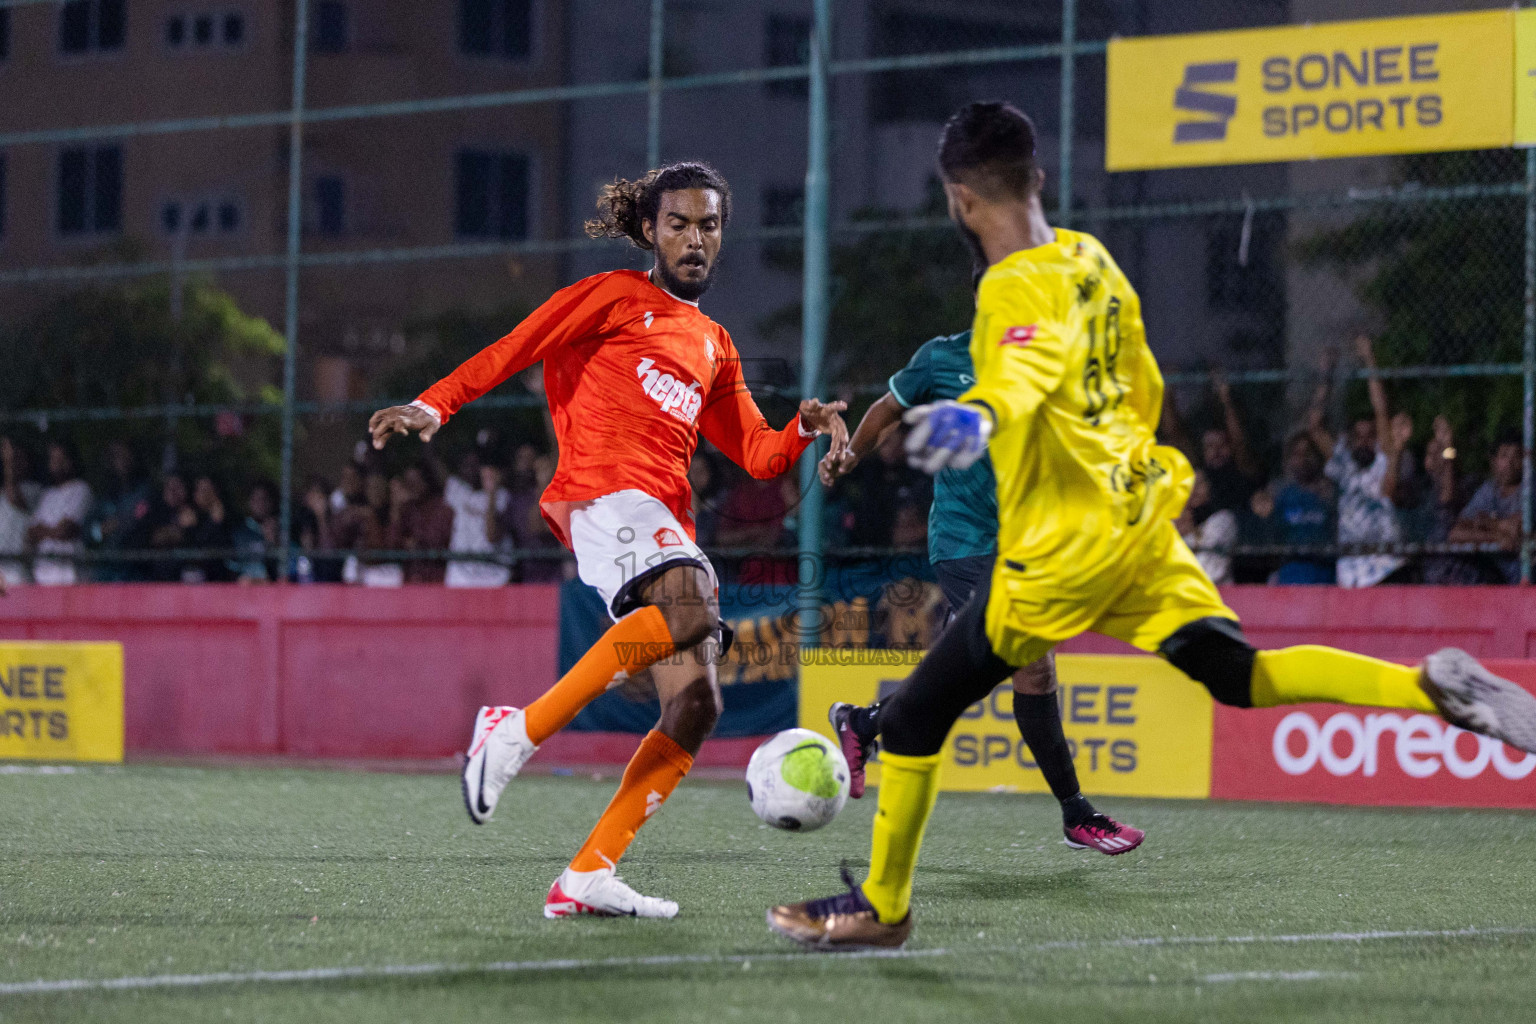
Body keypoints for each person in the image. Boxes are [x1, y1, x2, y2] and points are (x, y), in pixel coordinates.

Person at [766, 100, 1536, 951]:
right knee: (1238, 673)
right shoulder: (1094, 262)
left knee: (913, 718)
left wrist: (969, 422)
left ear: (957, 198)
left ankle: (886, 904)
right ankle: (1428, 687)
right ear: (1040, 179)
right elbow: (1144, 389)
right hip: (1139, 516)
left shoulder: (1009, 284)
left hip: (1060, 547)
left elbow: (1018, 374)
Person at [369, 161, 848, 919]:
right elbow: (517, 345)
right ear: (651, 231)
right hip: (602, 495)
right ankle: (513, 733)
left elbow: (756, 452)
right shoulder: (615, 297)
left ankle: (588, 873)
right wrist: (436, 405)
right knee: (695, 606)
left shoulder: (716, 346)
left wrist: (804, 427)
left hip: (656, 517)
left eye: (710, 225)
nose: (696, 238)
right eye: (680, 223)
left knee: (696, 705)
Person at [820, 302, 1142, 854]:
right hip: (965, 541)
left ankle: (865, 721)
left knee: (996, 674)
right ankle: (1077, 814)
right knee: (1031, 665)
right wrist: (848, 454)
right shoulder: (943, 358)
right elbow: (887, 409)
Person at [1308, 334, 1410, 587]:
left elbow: (1380, 409)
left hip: (1386, 568)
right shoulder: (1344, 465)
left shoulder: (1382, 460)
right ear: (1350, 439)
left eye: (1369, 436)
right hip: (1350, 572)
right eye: (1358, 436)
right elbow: (1314, 426)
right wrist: (1326, 375)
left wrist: (1368, 359)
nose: (1364, 441)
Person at [1250, 432, 1336, 584]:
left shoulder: (1330, 493)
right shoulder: (1280, 496)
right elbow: (1271, 541)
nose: (1302, 459)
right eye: (1296, 454)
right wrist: (1265, 514)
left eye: (1308, 452)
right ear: (1289, 460)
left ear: (1318, 457)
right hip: (1290, 579)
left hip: (1326, 579)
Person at [1446, 433, 1524, 584]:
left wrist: (1485, 522)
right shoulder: (1489, 489)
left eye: (1517, 456)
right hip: (1492, 576)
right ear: (1494, 461)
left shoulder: (1530, 487)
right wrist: (1497, 537)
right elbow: (1455, 534)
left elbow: (1515, 530)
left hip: (1521, 579)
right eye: (1504, 455)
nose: (1510, 462)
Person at [27, 442, 92, 585]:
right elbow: (31, 533)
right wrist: (53, 530)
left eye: (61, 458)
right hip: (43, 574)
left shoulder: (81, 489)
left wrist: (43, 530)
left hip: (69, 574)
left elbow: (66, 530)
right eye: (53, 458)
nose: (57, 463)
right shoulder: (47, 495)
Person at [444, 454, 512, 588]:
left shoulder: (504, 497)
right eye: (468, 465)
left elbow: (492, 536)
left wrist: (492, 493)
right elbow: (434, 463)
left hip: (493, 580)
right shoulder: (458, 490)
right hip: (460, 579)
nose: (472, 470)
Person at [0, 438, 41, 588]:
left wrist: (8, 462)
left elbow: (14, 498)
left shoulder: (35, 490)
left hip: (17, 572)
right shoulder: (3, 491)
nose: (17, 463)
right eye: (14, 458)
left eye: (20, 458)